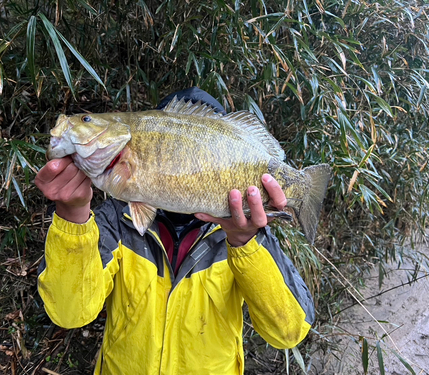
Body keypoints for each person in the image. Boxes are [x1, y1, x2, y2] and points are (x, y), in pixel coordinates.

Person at [35, 87, 314, 375]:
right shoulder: (118, 220)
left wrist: (245, 241)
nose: (80, 123)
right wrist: (72, 215)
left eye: (86, 120)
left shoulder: (245, 232)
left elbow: (289, 332)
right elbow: (70, 313)